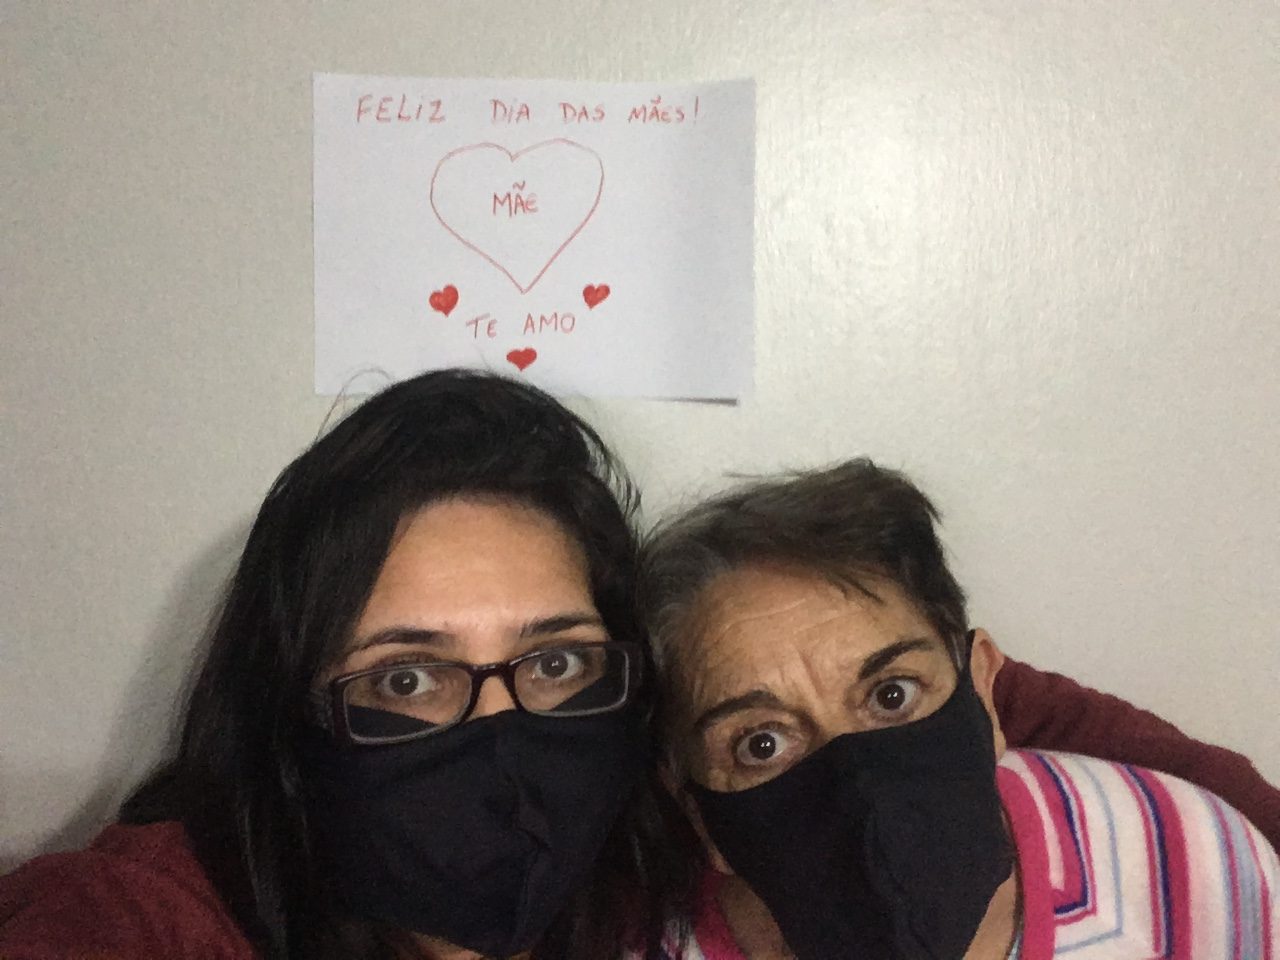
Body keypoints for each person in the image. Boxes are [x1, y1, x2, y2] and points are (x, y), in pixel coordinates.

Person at [2, 374, 1277, 960]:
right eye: (406, 678)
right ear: (289, 701)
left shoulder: (627, 867)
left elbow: (905, 691)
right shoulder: (145, 917)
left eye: (553, 660)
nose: (498, 731)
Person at [638, 458, 1279, 960]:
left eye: (892, 694)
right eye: (761, 743)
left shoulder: (1192, 861)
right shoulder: (634, 942)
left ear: (983, 687)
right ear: (695, 811)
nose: (858, 787)